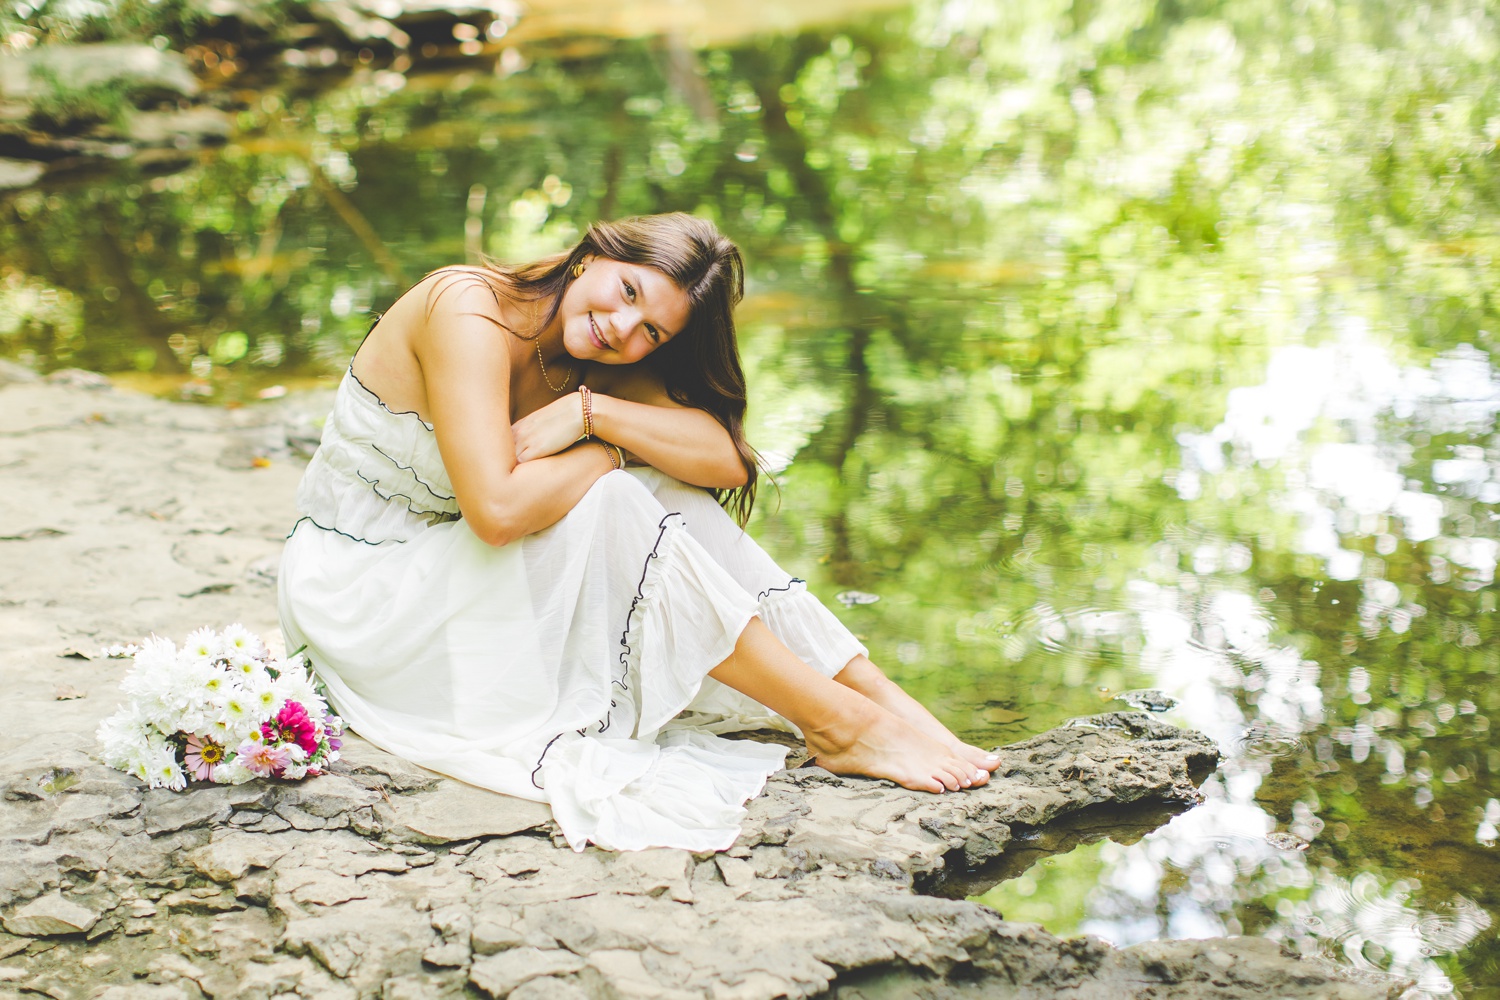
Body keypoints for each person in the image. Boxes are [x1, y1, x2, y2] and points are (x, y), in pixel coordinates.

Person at [278, 213, 999, 853]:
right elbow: (496, 514)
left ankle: (882, 702)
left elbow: (726, 460)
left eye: (652, 330)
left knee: (659, 485)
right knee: (621, 494)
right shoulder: (468, 310)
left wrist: (595, 415)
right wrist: (607, 450)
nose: (624, 329)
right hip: (363, 591)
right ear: (592, 256)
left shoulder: (592, 364)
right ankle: (836, 721)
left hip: (452, 588)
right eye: (628, 293)